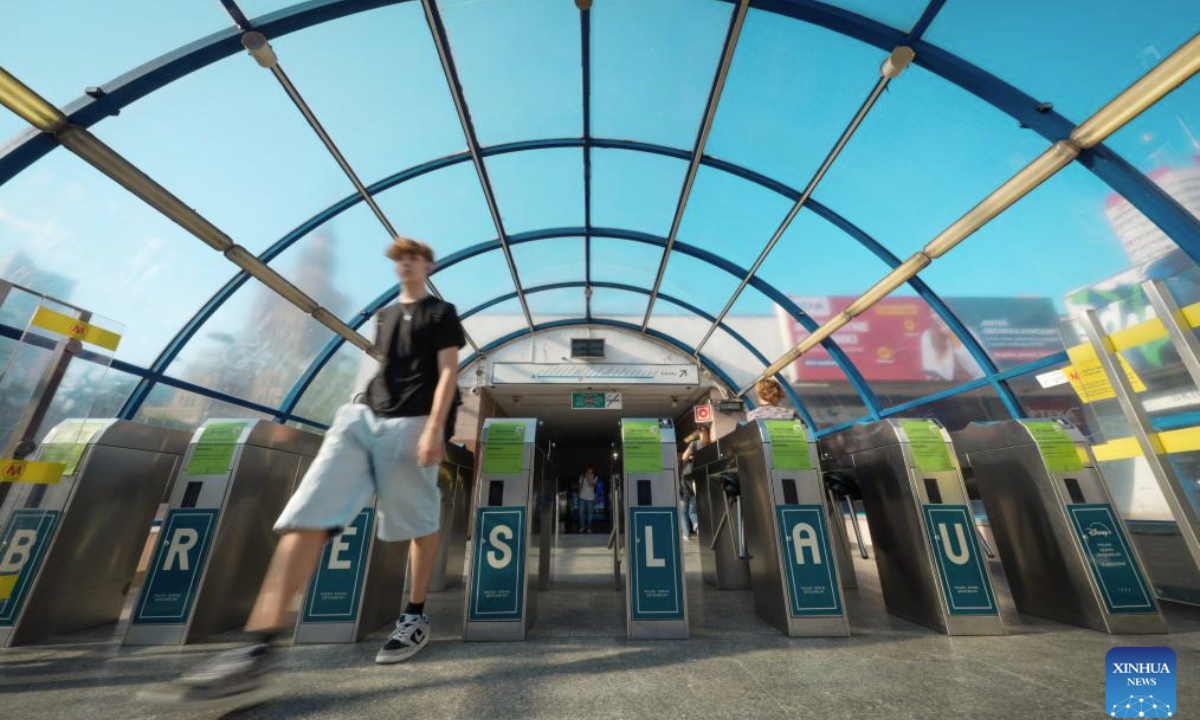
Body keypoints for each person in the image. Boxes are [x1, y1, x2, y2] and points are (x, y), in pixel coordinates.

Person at [142, 237, 465, 713]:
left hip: (414, 422)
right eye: (400, 260)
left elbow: (447, 373)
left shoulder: (442, 313)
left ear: (428, 265)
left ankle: (414, 614)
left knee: (417, 523)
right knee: (308, 512)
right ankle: (255, 651)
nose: (407, 267)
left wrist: (435, 428)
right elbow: (379, 369)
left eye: (414, 260)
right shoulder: (384, 316)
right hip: (361, 417)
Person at [678, 425, 710, 539]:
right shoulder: (710, 445)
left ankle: (686, 534)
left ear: (699, 433)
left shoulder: (695, 444)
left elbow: (684, 458)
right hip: (701, 478)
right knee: (693, 507)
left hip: (687, 479)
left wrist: (688, 460)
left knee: (684, 510)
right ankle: (696, 524)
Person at [578, 466, 598, 534]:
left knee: (590, 515)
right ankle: (582, 527)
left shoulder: (595, 476)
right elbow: (580, 485)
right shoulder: (582, 476)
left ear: (593, 470)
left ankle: (589, 528)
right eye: (588, 470)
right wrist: (579, 494)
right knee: (581, 513)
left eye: (591, 470)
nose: (589, 471)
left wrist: (589, 477)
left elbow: (591, 484)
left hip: (590, 498)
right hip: (582, 497)